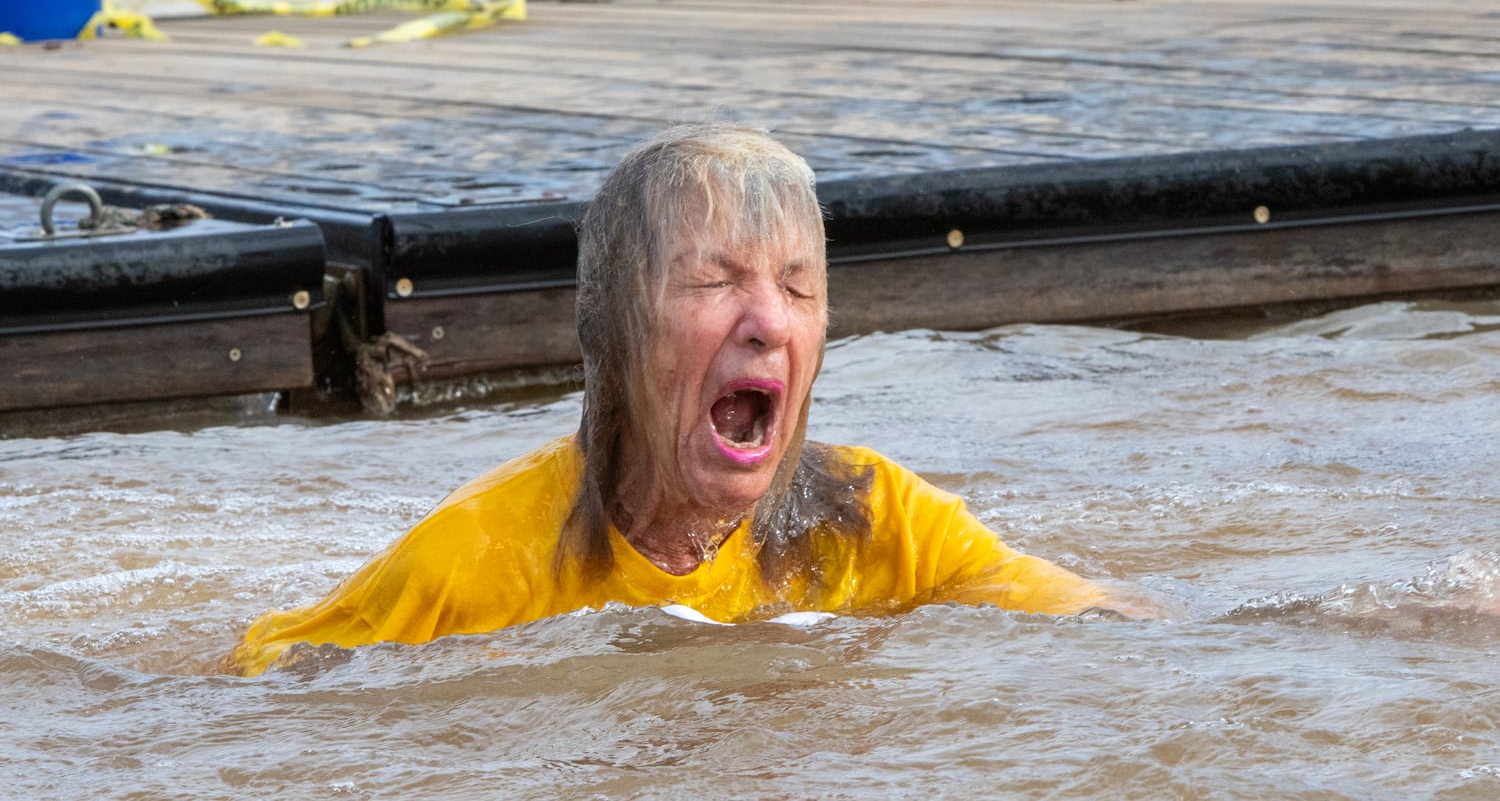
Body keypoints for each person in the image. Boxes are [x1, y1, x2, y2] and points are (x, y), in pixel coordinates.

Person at [228, 123, 1143, 677]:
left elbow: (1114, 636)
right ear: (616, 331)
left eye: (798, 286)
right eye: (714, 280)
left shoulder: (880, 523)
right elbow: (253, 694)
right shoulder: (472, 564)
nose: (768, 323)